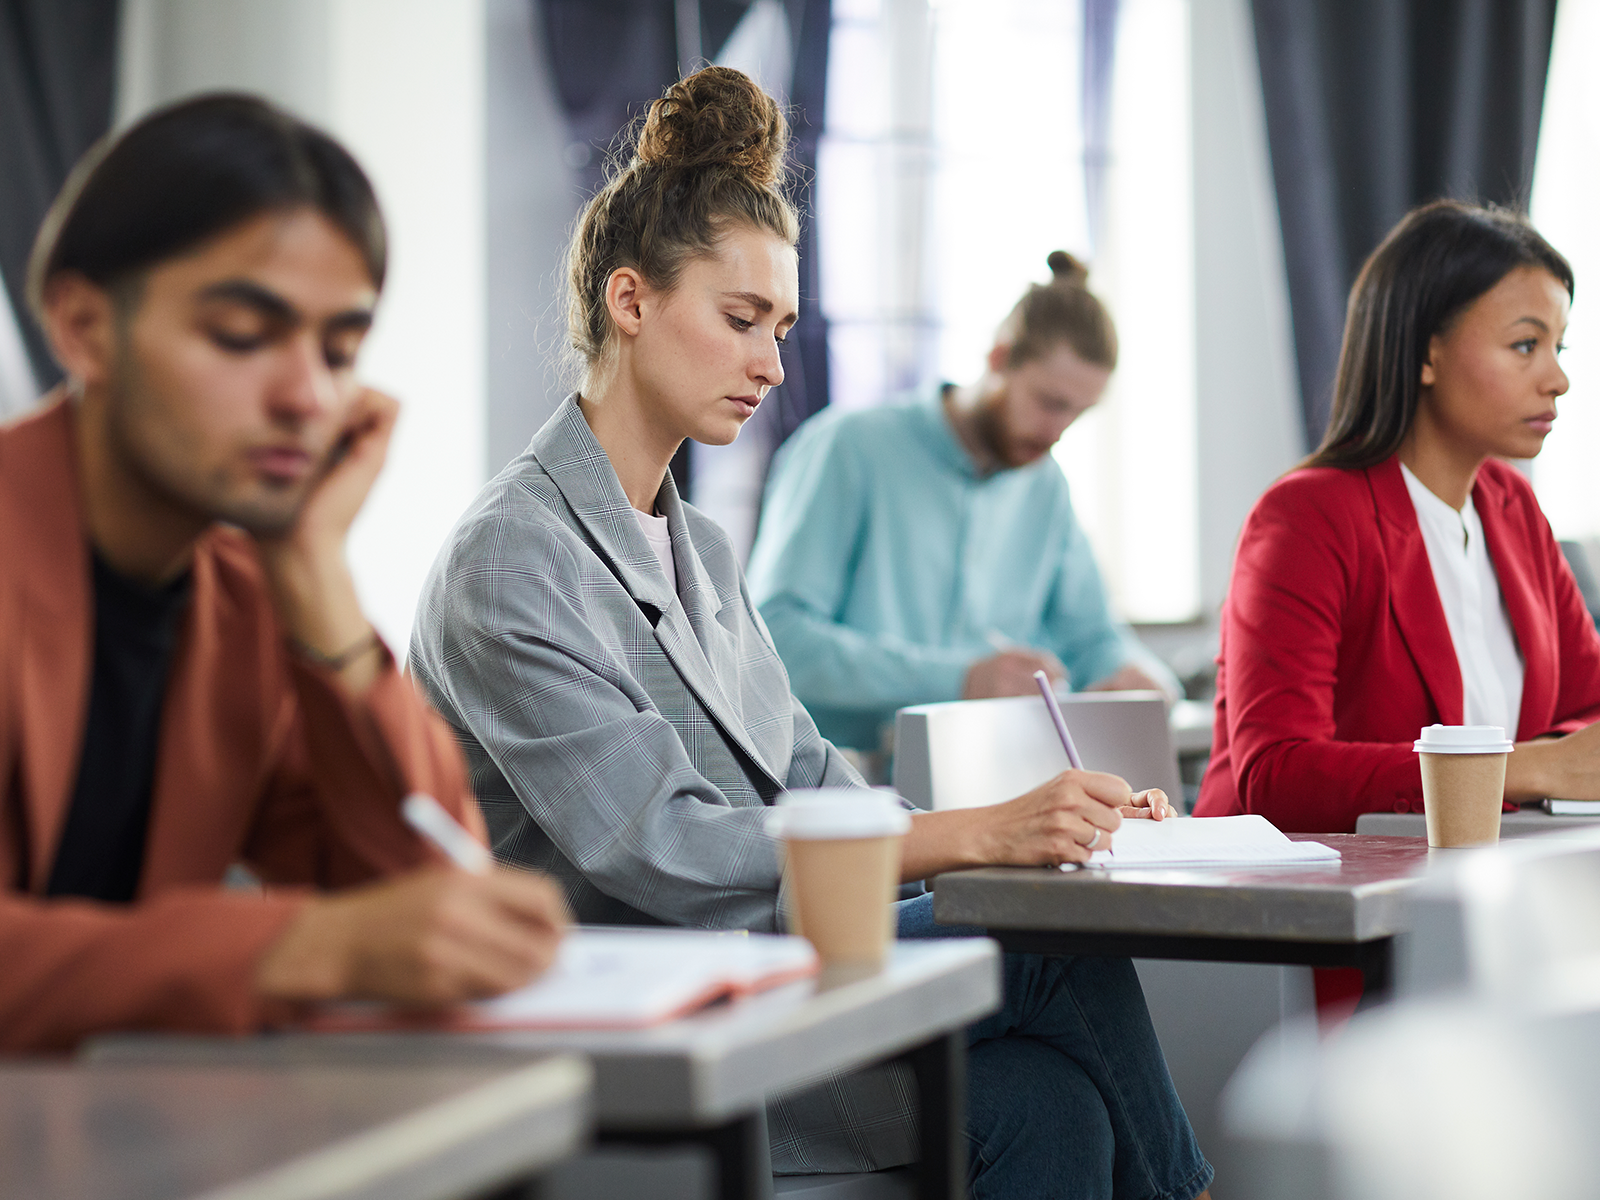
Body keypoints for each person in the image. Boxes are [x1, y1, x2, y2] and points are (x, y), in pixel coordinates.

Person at [411, 67, 1212, 1199]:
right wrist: (982, 836)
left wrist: (1046, 823)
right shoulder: (512, 559)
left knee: (1053, 1103)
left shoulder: (702, 554)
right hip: (652, 1020)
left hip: (771, 980)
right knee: (1048, 947)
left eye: (780, 327)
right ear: (631, 303)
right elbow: (670, 851)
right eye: (742, 321)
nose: (773, 366)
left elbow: (811, 777)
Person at [0, 94, 568, 1054]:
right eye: (240, 335)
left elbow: (420, 887)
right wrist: (296, 949)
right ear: (84, 326)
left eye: (339, 349)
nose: (309, 396)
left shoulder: (240, 593)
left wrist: (315, 571)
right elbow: (343, 939)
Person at [1196, 199, 1600, 833]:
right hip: (1296, 907)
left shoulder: (1510, 505)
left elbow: (1589, 707)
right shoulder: (1306, 517)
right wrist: (1523, 769)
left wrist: (1557, 763)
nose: (1558, 379)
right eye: (1525, 345)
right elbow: (1276, 774)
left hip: (1466, 887)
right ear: (1425, 354)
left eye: (1558, 345)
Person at [744, 253, 1176, 753]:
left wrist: (1135, 674)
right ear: (999, 357)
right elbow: (775, 639)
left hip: (995, 778)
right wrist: (960, 680)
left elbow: (1093, 636)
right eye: (1051, 403)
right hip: (838, 781)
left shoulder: (1045, 485)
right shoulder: (850, 448)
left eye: (1078, 414)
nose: (1057, 433)